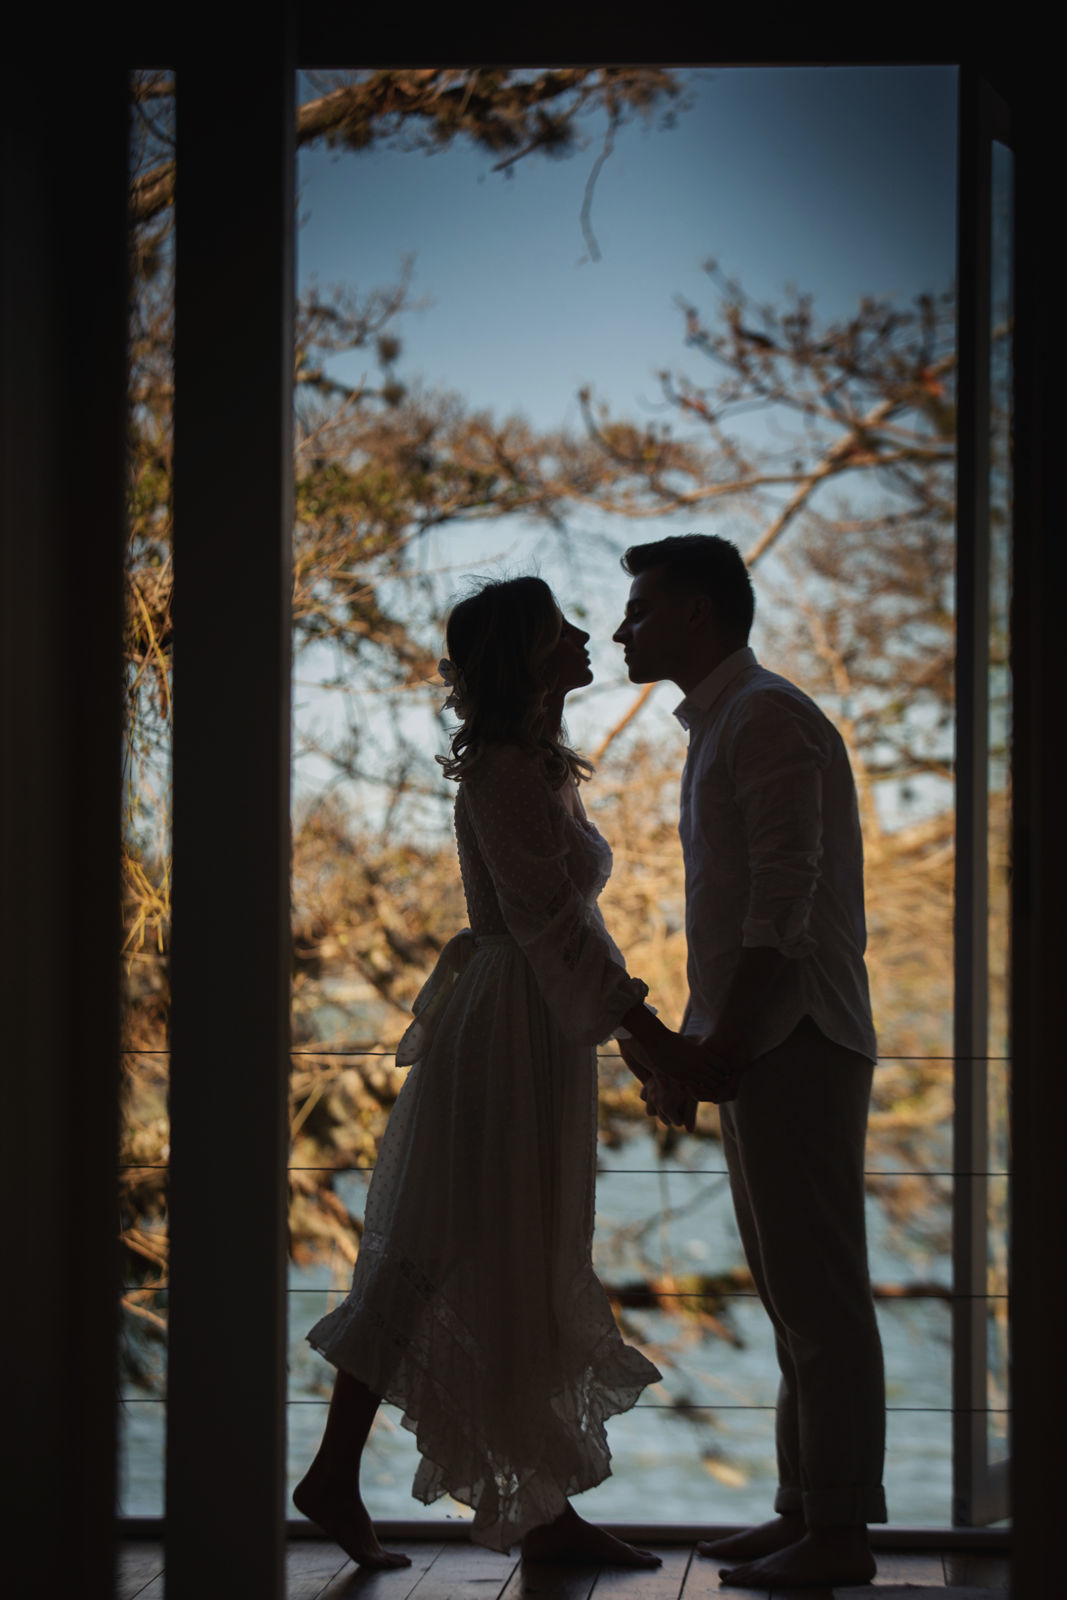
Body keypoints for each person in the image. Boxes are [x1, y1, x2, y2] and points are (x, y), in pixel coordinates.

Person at [295, 573, 711, 1569]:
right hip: (505, 1033)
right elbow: (551, 925)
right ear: (523, 652)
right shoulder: (500, 771)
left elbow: (568, 934)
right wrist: (656, 1044)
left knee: (487, 1251)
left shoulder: (533, 763)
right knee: (453, 1250)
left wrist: (634, 1041)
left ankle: (522, 1509)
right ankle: (487, 1504)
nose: (583, 636)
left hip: (533, 1026)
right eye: (560, 627)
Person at [612, 534, 887, 1590]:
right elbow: (738, 918)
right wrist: (704, 1041)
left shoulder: (762, 714)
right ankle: (803, 1511)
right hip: (764, 1034)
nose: (626, 627)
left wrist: (720, 1041)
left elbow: (783, 894)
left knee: (815, 1290)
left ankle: (839, 1532)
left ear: (692, 610)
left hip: (796, 1033)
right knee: (789, 1289)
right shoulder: (724, 719)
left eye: (638, 607)